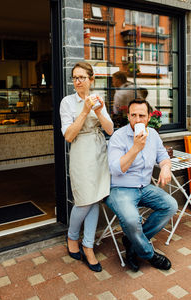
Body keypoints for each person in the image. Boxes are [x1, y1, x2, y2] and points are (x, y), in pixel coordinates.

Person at [105, 98, 178, 272]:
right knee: (131, 220)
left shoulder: (152, 134)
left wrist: (166, 168)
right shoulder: (118, 137)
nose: (138, 120)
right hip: (120, 188)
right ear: (128, 116)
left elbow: (163, 157)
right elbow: (116, 169)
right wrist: (136, 147)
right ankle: (148, 254)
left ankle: (132, 242)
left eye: (142, 115)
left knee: (170, 205)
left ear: (149, 117)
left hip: (144, 187)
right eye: (134, 115)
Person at [60, 61, 113, 272]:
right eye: (75, 77)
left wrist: (99, 111)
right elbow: (69, 136)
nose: (78, 81)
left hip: (99, 152)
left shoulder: (99, 99)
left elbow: (109, 129)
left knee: (96, 198)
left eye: (82, 77)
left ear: (91, 79)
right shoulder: (67, 102)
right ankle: (72, 237)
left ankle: (88, 246)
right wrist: (84, 111)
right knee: (83, 200)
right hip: (81, 152)